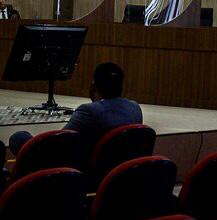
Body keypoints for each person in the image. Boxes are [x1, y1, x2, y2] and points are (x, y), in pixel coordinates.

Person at [8, 62, 143, 155]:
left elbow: (59, 141)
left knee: (19, 137)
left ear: (94, 86)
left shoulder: (88, 111)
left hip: (81, 170)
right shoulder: (134, 108)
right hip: (117, 174)